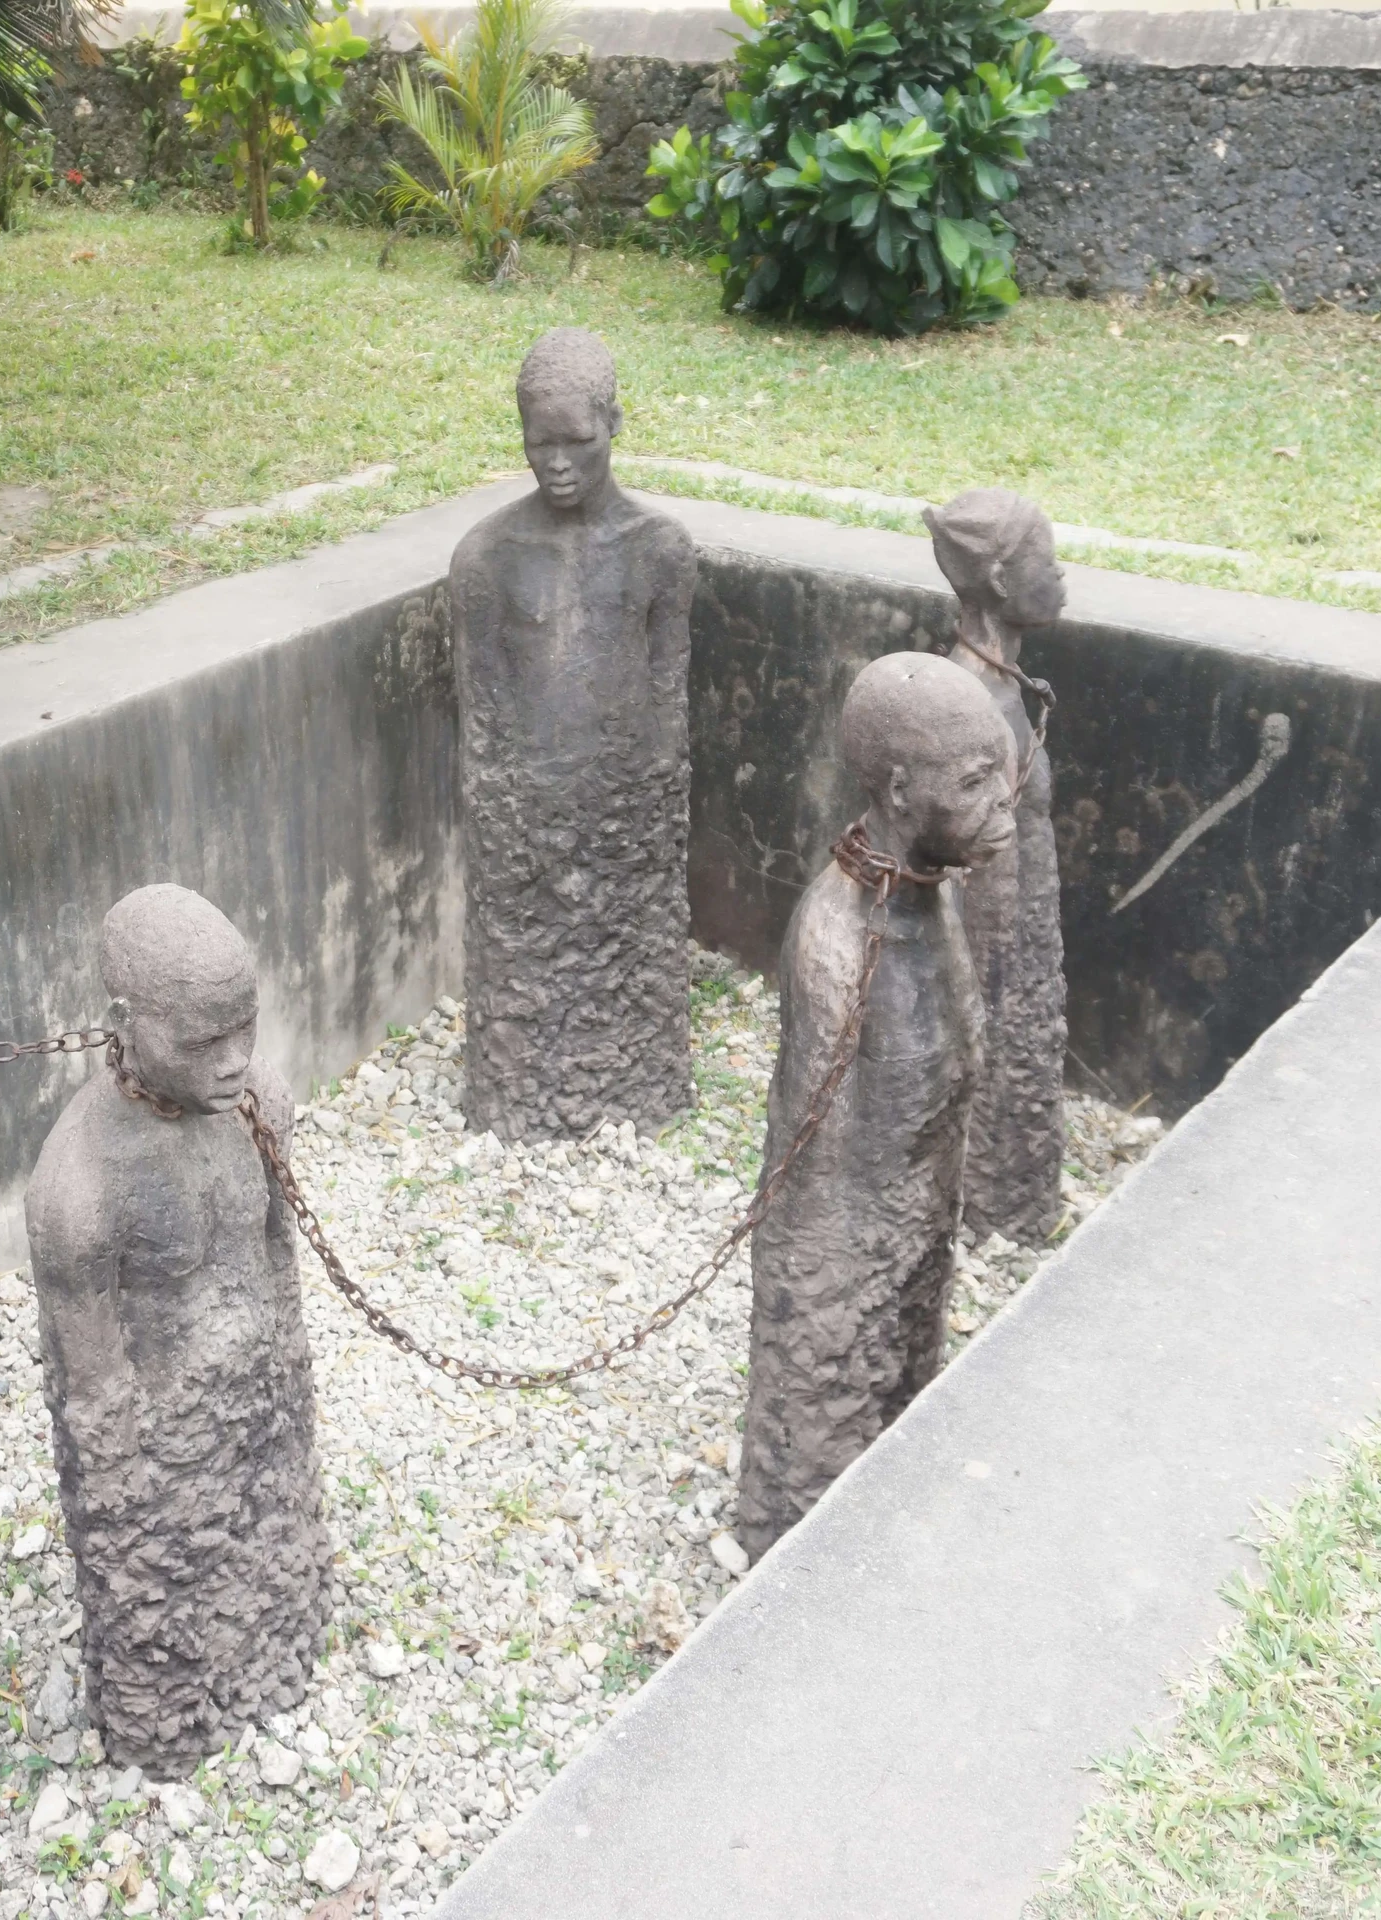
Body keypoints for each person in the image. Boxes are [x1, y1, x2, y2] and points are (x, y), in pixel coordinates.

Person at [24, 884, 332, 1777]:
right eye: (203, 1042)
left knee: (278, 1582)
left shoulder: (256, 1106)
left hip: (264, 1422)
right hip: (169, 1467)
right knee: (182, 1644)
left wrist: (291, 1385)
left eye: (247, 1028)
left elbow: (280, 1262)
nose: (235, 1060)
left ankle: (285, 1647)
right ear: (129, 1024)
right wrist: (136, 1548)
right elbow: (96, 1401)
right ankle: (174, 1722)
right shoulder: (77, 1188)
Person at [736, 653, 1017, 1563]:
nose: (1004, 801)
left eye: (1004, 772)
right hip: (849, 1256)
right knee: (833, 1439)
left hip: (914, 1229)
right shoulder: (834, 939)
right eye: (976, 783)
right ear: (901, 791)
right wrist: (829, 1327)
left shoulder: (930, 897)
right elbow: (809, 1174)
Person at [448, 326, 699, 1140]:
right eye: (538, 442)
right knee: (526, 992)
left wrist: (636, 837)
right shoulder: (486, 557)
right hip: (525, 831)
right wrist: (516, 834)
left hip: (625, 827)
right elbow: (481, 724)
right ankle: (519, 1098)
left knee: (626, 974)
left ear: (615, 426)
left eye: (577, 442)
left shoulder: (660, 551)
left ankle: (637, 1084)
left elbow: (667, 717)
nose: (557, 462)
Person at [925, 488, 1071, 1244]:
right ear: (1003, 582)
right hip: (993, 967)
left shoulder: (1005, 690)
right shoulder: (972, 708)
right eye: (1047, 560)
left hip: (1021, 964)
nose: (1063, 574)